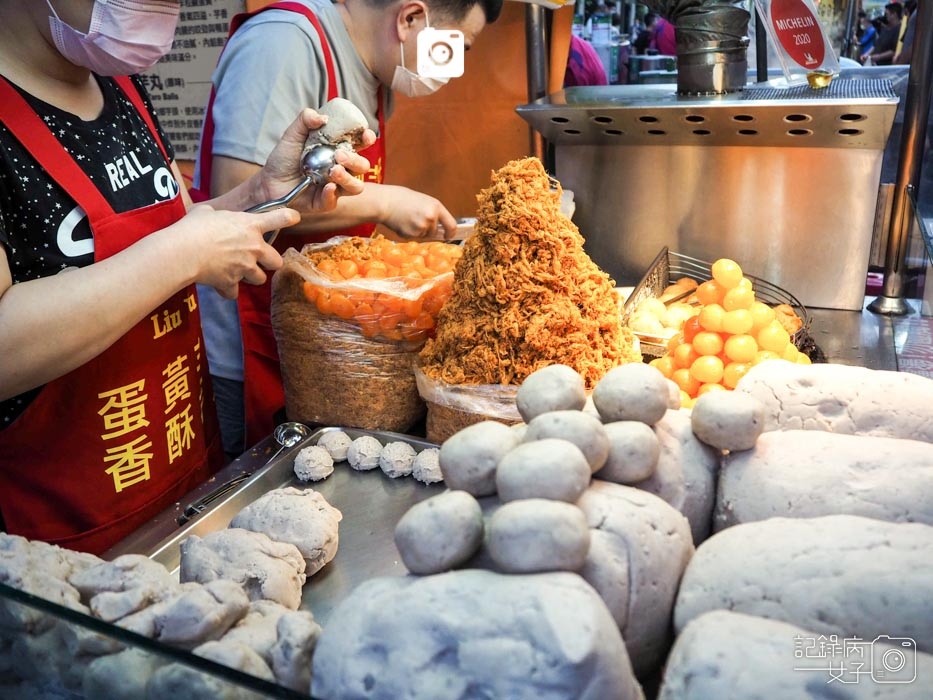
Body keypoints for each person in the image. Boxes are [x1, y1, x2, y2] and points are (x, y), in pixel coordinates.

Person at [0, 0, 373, 553]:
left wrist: (261, 195)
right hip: (61, 534)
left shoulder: (122, 87)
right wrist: (182, 253)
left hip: (179, 479)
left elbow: (174, 228)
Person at [194, 0, 503, 459]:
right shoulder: (284, 42)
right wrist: (383, 200)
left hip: (323, 339)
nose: (455, 66)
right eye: (458, 45)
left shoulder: (375, 70)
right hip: (249, 333)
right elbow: (238, 192)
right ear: (411, 18)